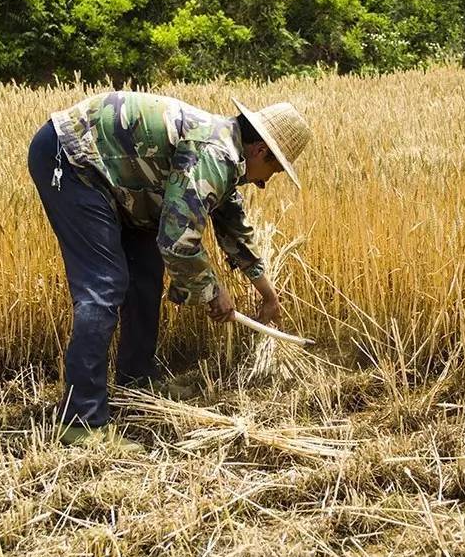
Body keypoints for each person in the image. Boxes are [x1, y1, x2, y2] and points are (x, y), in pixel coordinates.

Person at [27, 91, 311, 448]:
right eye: (274, 169)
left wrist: (266, 292)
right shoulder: (217, 154)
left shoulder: (227, 151)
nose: (265, 182)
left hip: (119, 180)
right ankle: (81, 421)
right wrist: (211, 289)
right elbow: (178, 239)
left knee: (145, 272)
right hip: (73, 161)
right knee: (104, 286)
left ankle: (136, 379)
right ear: (259, 151)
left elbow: (232, 223)